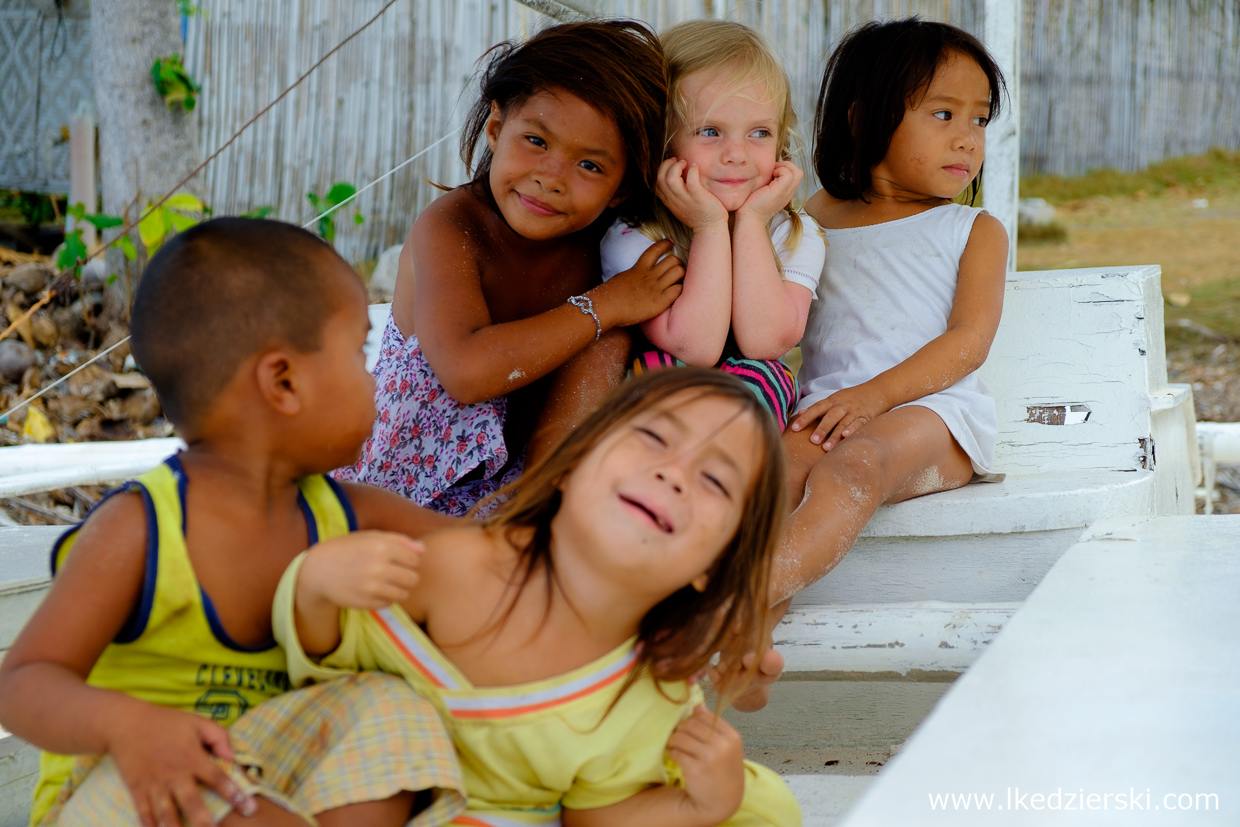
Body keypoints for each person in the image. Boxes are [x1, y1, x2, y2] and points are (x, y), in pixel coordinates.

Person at [0, 219, 468, 827]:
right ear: (284, 381)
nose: (374, 381)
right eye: (359, 352)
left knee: (390, 708)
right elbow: (24, 682)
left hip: (258, 782)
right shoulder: (141, 530)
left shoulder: (347, 510)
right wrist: (127, 726)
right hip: (129, 790)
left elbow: (493, 550)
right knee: (213, 789)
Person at [278, 368, 802, 826]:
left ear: (715, 566)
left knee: (769, 809)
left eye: (714, 479)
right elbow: (330, 666)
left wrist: (702, 806)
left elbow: (591, 814)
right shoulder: (459, 566)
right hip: (353, 789)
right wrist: (317, 587)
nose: (674, 473)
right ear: (572, 467)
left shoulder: (650, 692)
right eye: (651, 436)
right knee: (385, 709)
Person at [336, 20, 683, 516]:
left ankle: (533, 518)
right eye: (537, 141)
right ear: (496, 128)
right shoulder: (452, 227)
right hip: (394, 492)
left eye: (590, 166)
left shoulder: (601, 250)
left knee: (610, 341)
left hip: (507, 496)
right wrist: (607, 304)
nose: (551, 178)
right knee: (606, 321)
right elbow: (466, 372)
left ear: (621, 189)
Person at [772, 19, 1009, 624]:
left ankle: (740, 599)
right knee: (777, 473)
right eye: (943, 114)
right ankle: (747, 648)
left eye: (979, 120)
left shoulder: (972, 231)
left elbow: (968, 343)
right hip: (832, 405)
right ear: (862, 118)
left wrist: (874, 397)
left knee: (856, 464)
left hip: (937, 418)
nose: (967, 140)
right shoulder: (809, 222)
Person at [598, 20, 826, 432]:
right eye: (710, 131)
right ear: (663, 141)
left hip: (746, 413)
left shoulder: (792, 231)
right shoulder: (636, 235)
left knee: (765, 377)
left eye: (759, 132)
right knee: (658, 368)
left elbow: (766, 343)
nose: (737, 154)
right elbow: (694, 346)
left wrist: (753, 222)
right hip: (658, 409)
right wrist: (709, 227)